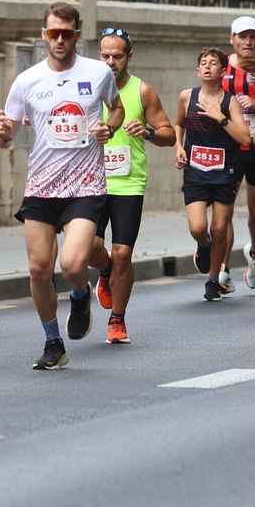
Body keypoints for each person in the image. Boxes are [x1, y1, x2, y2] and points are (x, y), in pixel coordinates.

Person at [0, 2, 123, 371]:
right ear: (44, 35)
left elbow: (116, 109)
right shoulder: (27, 80)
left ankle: (81, 294)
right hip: (41, 187)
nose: (60, 39)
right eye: (54, 33)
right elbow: (9, 134)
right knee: (38, 269)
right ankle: (53, 342)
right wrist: (2, 133)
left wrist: (109, 127)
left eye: (67, 33)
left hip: (85, 184)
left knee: (71, 264)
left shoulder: (98, 73)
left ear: (77, 35)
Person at [89, 27, 176, 342]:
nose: (111, 62)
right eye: (105, 56)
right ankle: (104, 270)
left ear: (129, 57)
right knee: (89, 249)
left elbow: (169, 134)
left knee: (123, 253)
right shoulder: (87, 88)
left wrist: (149, 132)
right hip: (91, 182)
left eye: (117, 56)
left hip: (128, 183)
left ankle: (117, 320)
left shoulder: (142, 92)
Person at [176, 48, 254, 302]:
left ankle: (212, 280)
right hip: (196, 170)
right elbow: (178, 124)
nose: (208, 67)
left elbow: (244, 137)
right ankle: (204, 245)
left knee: (220, 227)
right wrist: (178, 146)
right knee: (199, 228)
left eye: (214, 63)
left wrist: (220, 117)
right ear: (198, 71)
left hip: (224, 172)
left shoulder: (229, 101)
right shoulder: (187, 97)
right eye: (203, 63)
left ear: (223, 71)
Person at [220, 16, 255, 294]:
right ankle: (223, 269)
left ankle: (254, 253)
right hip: (228, 146)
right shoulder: (221, 66)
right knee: (223, 210)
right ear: (233, 39)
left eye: (253, 37)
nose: (248, 42)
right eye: (242, 36)